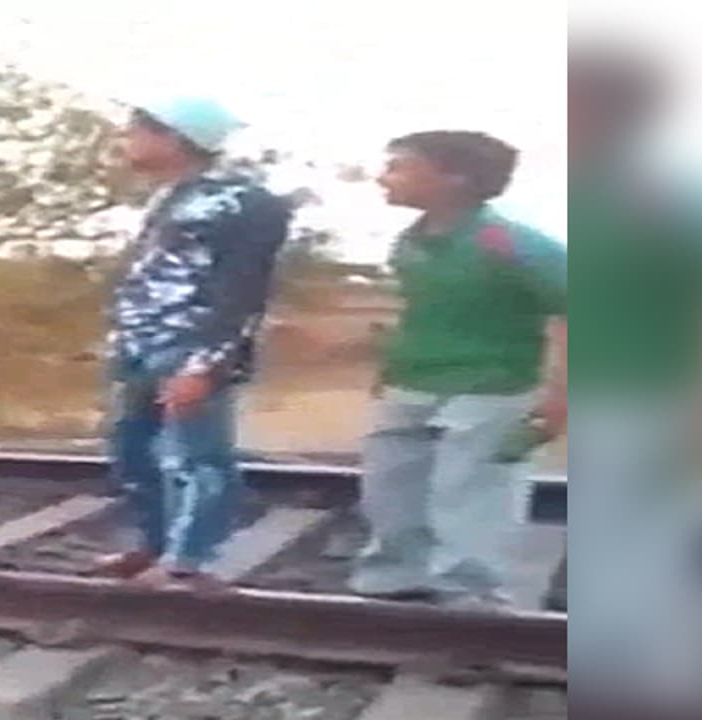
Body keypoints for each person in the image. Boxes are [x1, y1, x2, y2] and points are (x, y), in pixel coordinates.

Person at [347, 130, 568, 609]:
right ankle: (393, 583)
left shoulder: (505, 241)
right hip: (410, 384)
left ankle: (471, 599)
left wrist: (560, 397)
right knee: (391, 488)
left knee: (472, 495)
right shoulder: (410, 241)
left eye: (399, 166)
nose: (383, 177)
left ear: (455, 178)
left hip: (491, 387)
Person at [96, 97, 292, 588]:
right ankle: (155, 542)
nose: (126, 140)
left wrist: (206, 364)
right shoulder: (168, 197)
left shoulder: (245, 202)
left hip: (190, 346)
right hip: (140, 345)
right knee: (133, 452)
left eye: (137, 131)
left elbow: (243, 291)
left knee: (195, 456)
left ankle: (189, 558)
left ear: (175, 137)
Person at [567, 43, 702, 716]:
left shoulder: (666, 198)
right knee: (610, 543)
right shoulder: (591, 199)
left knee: (659, 550)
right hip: (604, 395)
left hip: (656, 396)